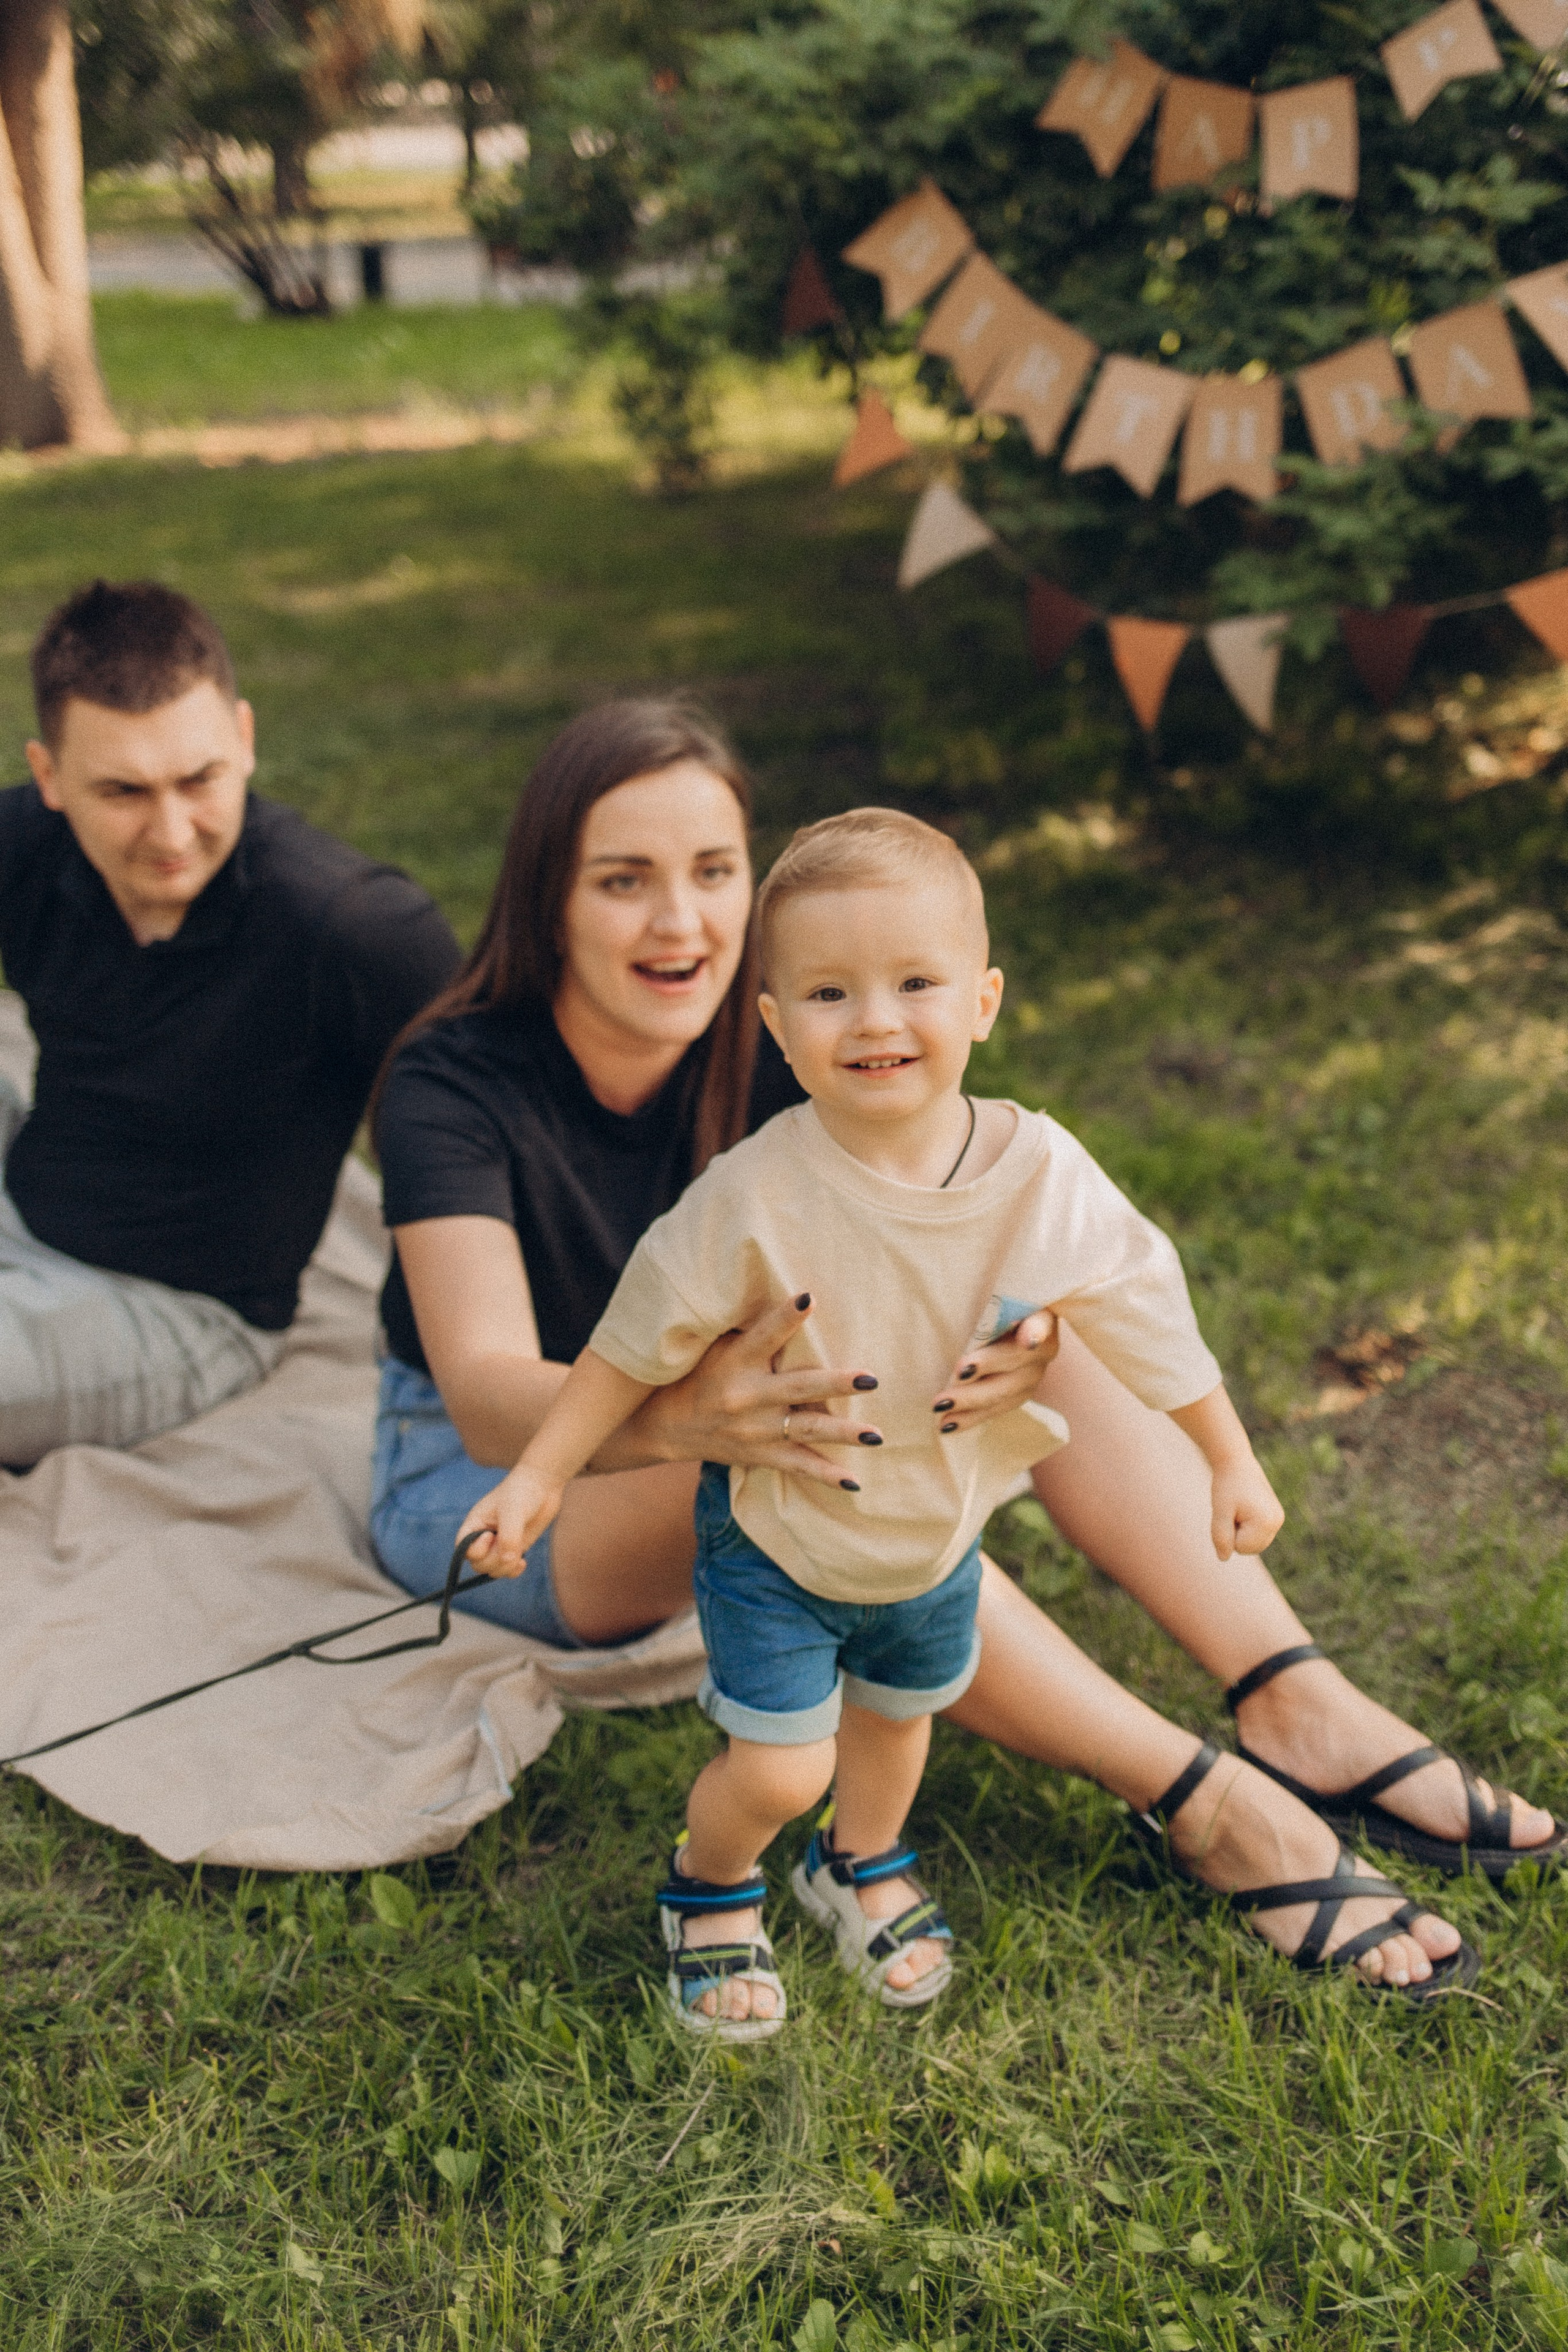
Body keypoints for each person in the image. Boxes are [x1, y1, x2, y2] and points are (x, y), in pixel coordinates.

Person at [371, 697, 1558, 2022]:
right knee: (844, 1471)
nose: (678, 923)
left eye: (712, 875)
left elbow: (978, 1230)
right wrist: (697, 1417)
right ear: (547, 896)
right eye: (621, 881)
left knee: (1039, 1342)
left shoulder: (803, 1039)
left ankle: (1295, 1696)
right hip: (497, 1481)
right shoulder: (454, 1079)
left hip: (767, 1412)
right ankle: (1200, 1798)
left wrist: (1029, 1338)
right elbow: (481, 1394)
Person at [455, 807, 1286, 2040]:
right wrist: (536, 1479)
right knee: (783, 1764)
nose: (877, 1020)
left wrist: (1225, 1454)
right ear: (778, 1027)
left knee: (897, 1731)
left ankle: (856, 1861)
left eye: (914, 983)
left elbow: (1142, 1308)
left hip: (933, 1545)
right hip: (780, 1549)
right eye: (831, 993)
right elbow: (626, 1347)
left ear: (984, 1001)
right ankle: (711, 1880)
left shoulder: (1040, 1173)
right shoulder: (752, 1194)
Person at [0, 579, 460, 1465]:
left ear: (244, 740)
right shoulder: (25, 843)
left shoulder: (351, 924)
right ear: (49, 777)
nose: (171, 831)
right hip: (25, 1199)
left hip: (178, 1309)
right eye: (124, 792)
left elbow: (503, 1122)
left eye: (199, 780)